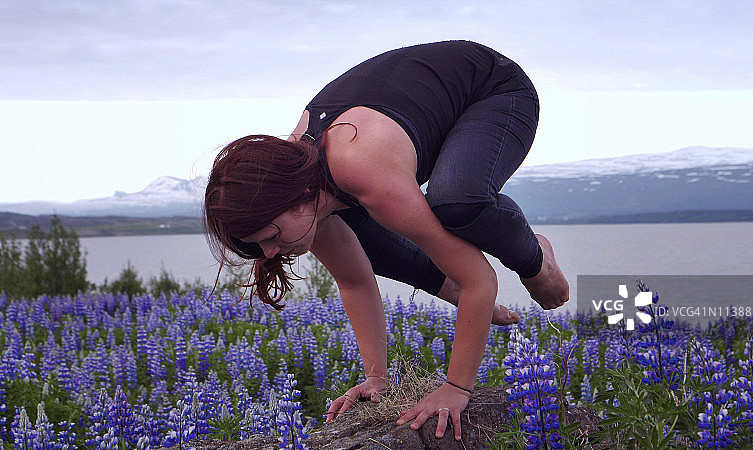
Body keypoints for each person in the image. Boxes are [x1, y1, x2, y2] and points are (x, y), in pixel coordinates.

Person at [203, 40, 569, 441]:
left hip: (494, 88)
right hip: (404, 113)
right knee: (369, 244)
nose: (271, 253)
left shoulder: (361, 169)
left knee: (457, 202)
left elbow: (480, 277)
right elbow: (355, 282)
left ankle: (537, 259)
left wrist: (456, 388)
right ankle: (467, 300)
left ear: (299, 196)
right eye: (261, 246)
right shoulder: (308, 197)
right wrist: (376, 378)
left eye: (271, 236)